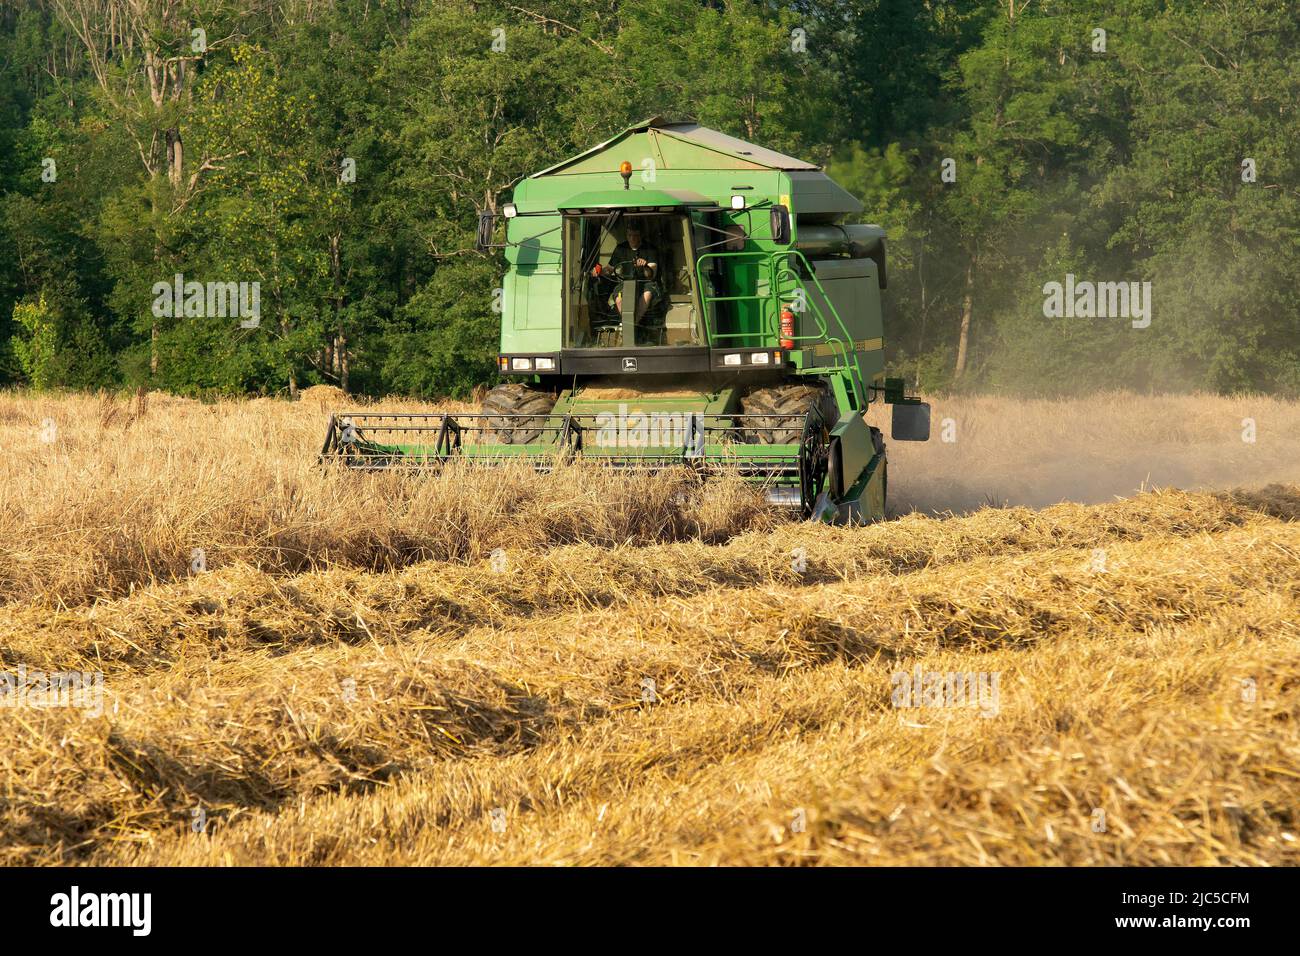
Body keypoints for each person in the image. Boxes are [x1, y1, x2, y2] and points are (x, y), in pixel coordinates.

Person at [608, 223, 660, 322]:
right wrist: (600, 271)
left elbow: (651, 275)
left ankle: (633, 324)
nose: (632, 238)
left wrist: (645, 266)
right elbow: (609, 269)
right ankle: (628, 324)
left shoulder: (650, 249)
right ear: (626, 235)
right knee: (619, 299)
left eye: (635, 235)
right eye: (630, 235)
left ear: (641, 236)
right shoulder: (621, 248)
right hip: (625, 282)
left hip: (646, 283)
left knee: (647, 295)